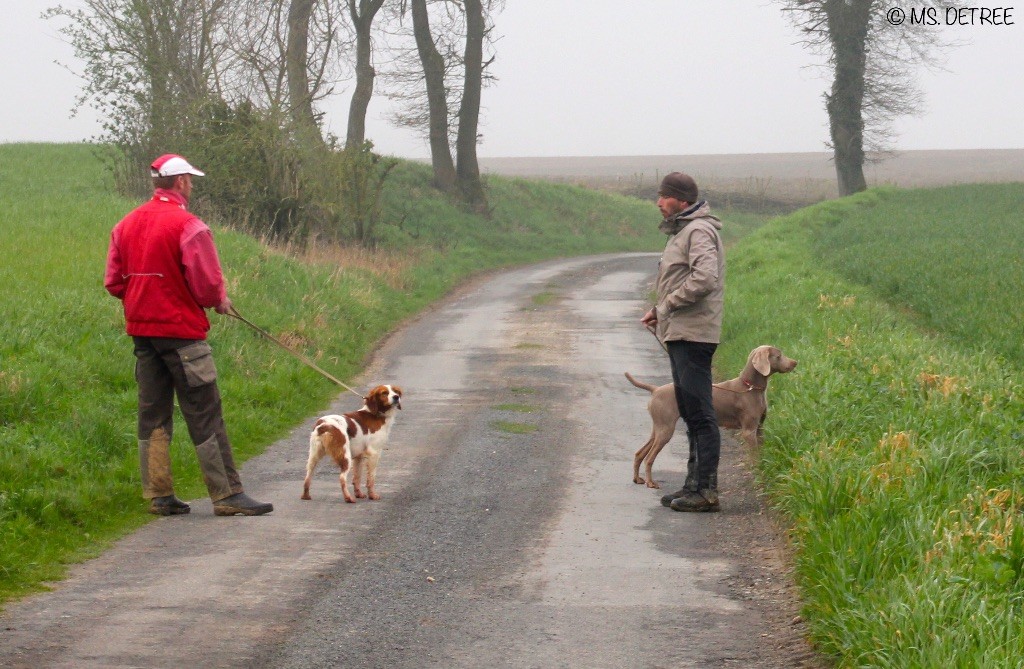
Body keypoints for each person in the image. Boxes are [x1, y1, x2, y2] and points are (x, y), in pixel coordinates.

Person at [105, 154, 273, 517]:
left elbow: (113, 282)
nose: (192, 186)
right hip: (182, 333)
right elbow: (208, 284)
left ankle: (159, 496)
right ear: (179, 181)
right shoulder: (189, 225)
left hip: (142, 334)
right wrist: (219, 301)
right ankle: (226, 494)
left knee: (153, 414)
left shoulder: (125, 224)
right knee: (204, 411)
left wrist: (141, 300)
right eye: (190, 180)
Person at [640, 172, 725, 512]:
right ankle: (693, 486)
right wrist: (659, 311)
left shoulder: (698, 231)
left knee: (701, 414)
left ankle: (705, 492)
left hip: (693, 333)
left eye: (664, 196)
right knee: (690, 411)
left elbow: (704, 278)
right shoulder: (684, 231)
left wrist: (667, 305)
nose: (658, 202)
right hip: (680, 331)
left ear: (683, 200)